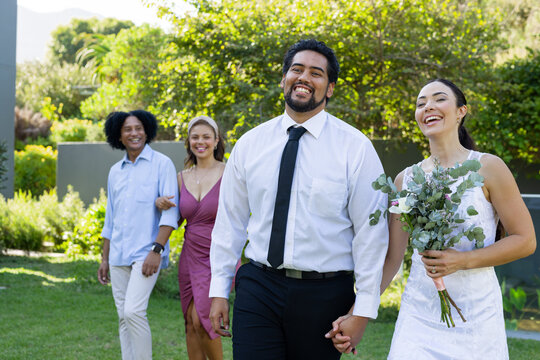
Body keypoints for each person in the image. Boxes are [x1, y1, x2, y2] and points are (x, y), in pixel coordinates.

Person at [208, 39, 389, 359]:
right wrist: (219, 290)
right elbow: (230, 223)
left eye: (316, 73)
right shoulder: (251, 144)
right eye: (297, 69)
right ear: (284, 79)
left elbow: (371, 236)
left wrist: (362, 312)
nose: (304, 77)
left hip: (325, 296)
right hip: (258, 287)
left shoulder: (355, 148)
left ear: (330, 88)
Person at [332, 78, 537, 358]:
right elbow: (392, 258)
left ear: (461, 111)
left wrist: (463, 260)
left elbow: (525, 240)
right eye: (420, 103)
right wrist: (357, 314)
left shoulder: (489, 167)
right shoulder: (405, 180)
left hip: (476, 315)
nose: (428, 106)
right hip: (418, 314)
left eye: (439, 98)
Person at [97, 110, 179, 360]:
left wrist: (157, 250)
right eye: (127, 129)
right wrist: (104, 257)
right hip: (118, 254)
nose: (134, 133)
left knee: (133, 311)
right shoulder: (115, 171)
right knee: (123, 317)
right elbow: (110, 218)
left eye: (139, 128)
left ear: (147, 131)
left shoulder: (162, 164)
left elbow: (170, 214)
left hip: (146, 253)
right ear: (118, 136)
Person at [155, 115, 228, 360]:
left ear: (216, 140)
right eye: (195, 137)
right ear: (188, 141)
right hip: (189, 256)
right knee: (189, 321)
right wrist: (159, 203)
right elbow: (173, 220)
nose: (200, 142)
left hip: (217, 256)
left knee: (203, 319)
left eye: (206, 137)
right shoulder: (181, 177)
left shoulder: (229, 173)